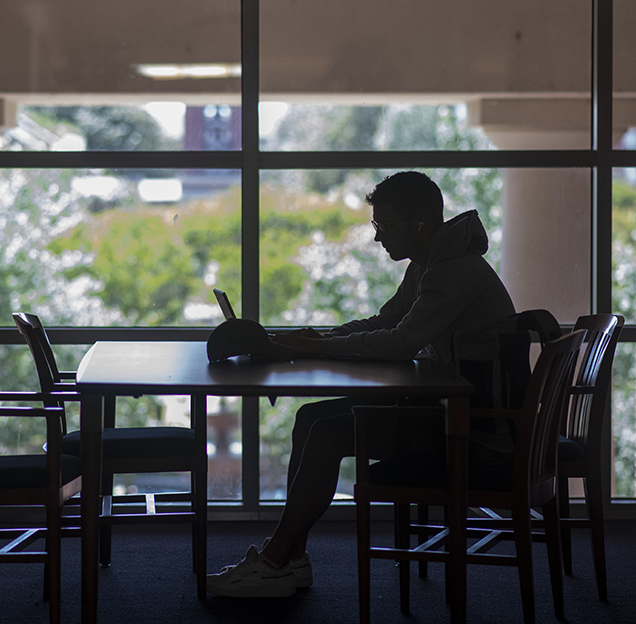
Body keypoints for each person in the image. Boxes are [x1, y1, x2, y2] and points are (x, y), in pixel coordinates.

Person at [206, 171, 517, 598]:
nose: (377, 239)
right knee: (311, 416)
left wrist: (317, 350)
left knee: (327, 434)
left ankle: (277, 557)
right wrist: (323, 339)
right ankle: (292, 556)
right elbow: (385, 323)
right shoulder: (430, 266)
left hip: (473, 430)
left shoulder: (453, 272)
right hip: (448, 413)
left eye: (384, 227)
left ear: (421, 222)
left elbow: (401, 342)